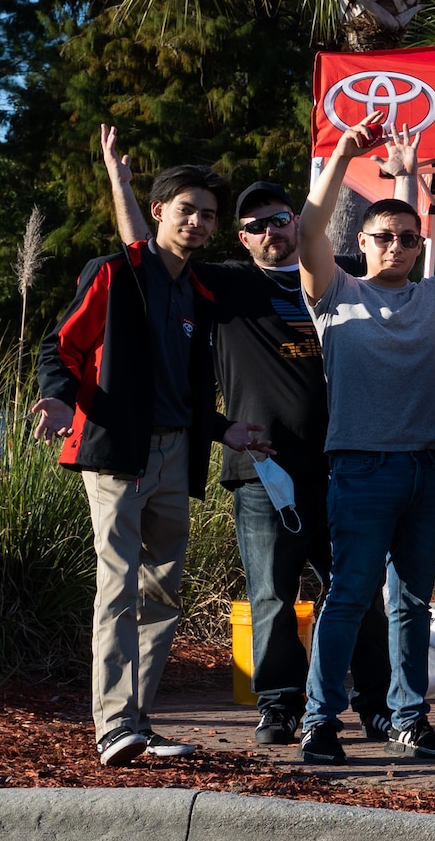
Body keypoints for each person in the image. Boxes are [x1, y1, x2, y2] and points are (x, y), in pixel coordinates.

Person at [96, 128, 395, 749]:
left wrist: (365, 162)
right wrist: (121, 187)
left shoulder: (335, 275)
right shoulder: (223, 284)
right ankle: (280, 705)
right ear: (240, 238)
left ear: (298, 223)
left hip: (342, 464)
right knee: (270, 597)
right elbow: (146, 258)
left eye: (280, 219)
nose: (270, 232)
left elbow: (382, 242)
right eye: (255, 226)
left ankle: (376, 705)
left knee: (360, 591)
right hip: (262, 468)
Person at [36, 160, 269, 765]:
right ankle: (113, 724)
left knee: (162, 594)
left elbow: (185, 388)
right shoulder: (116, 273)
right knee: (118, 585)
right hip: (117, 452)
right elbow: (60, 348)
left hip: (176, 453)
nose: (197, 222)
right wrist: (58, 399)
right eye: (186, 209)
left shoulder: (201, 291)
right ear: (159, 212)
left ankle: (137, 722)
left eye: (208, 215)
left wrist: (223, 430)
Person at [295, 119, 435, 765]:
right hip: (360, 471)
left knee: (412, 604)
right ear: (361, 241)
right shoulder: (334, 291)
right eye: (384, 236)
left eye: (409, 238)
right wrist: (342, 154)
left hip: (424, 472)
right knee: (349, 596)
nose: (397, 246)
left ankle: (409, 719)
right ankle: (320, 721)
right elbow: (307, 232)